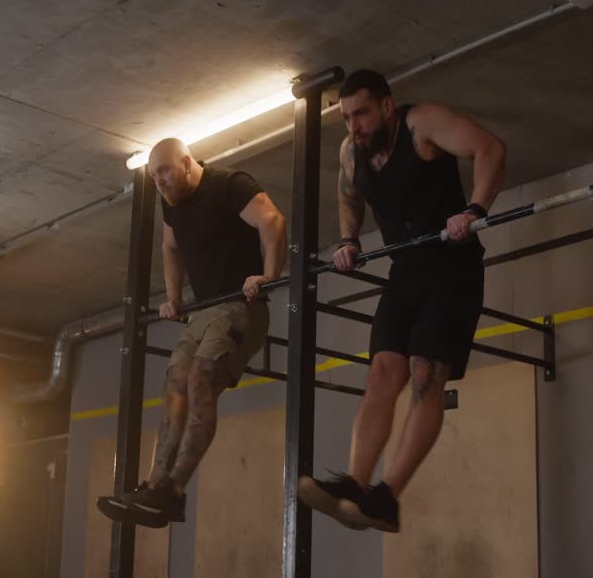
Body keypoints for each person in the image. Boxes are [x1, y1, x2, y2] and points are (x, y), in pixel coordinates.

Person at [298, 69, 506, 532]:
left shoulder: (422, 124)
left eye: (363, 113)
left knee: (425, 375)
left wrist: (474, 210)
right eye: (347, 117)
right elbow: (347, 193)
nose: (355, 125)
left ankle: (387, 495)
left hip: (453, 267)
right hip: (405, 271)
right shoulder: (353, 151)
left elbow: (489, 148)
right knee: (381, 372)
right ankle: (355, 483)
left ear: (387, 106)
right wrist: (349, 239)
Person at [97, 138, 286, 528]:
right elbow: (170, 247)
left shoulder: (229, 184)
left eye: (164, 171)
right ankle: (155, 484)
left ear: (186, 162)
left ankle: (174, 491)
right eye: (153, 176)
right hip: (204, 310)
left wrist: (268, 276)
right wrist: (171, 296)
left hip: (242, 305)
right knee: (175, 380)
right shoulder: (171, 202)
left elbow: (273, 220)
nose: (160, 182)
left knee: (200, 377)